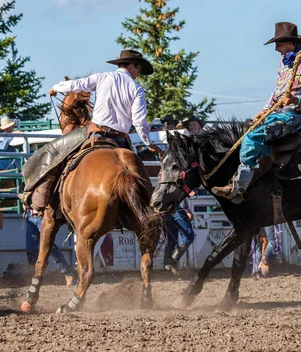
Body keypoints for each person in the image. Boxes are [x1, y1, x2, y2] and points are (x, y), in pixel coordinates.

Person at [29, 50, 162, 213]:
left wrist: (55, 87)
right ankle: (147, 208)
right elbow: (139, 122)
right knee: (137, 173)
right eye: (139, 70)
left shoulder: (103, 77)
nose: (138, 74)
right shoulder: (137, 89)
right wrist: (148, 143)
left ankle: (40, 197)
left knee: (57, 152)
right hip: (120, 140)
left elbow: (76, 85)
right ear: (132, 66)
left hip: (96, 135)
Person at [212, 22, 301, 203]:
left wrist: (297, 100)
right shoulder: (284, 63)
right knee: (245, 133)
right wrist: (265, 110)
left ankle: (239, 187)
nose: (276, 49)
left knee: (251, 139)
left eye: (279, 44)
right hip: (276, 114)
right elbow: (276, 92)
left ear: (291, 43)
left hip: (292, 116)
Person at [25, 209, 75, 285]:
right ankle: (35, 274)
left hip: (43, 216)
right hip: (31, 216)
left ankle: (66, 272)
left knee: (49, 247)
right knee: (31, 247)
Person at [163, 198, 195, 276]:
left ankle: (167, 264)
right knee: (188, 236)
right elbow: (180, 190)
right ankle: (172, 261)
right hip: (177, 208)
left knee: (172, 238)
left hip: (165, 209)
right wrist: (186, 210)